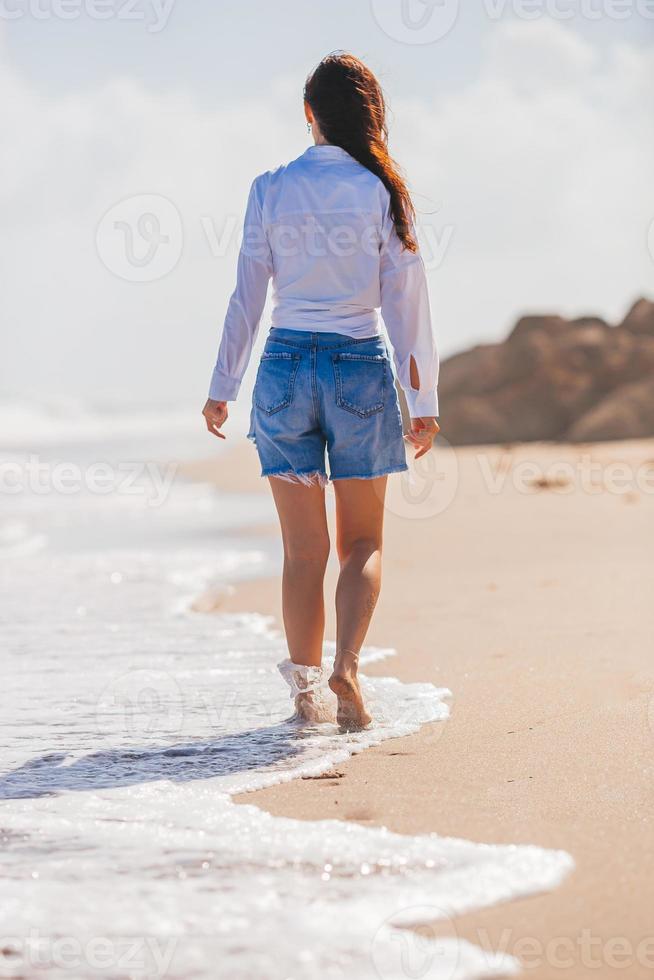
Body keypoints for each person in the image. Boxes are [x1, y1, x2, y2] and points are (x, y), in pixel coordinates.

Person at [203, 52, 440, 729]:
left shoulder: (270, 188)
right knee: (361, 545)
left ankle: (305, 695)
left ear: (309, 114)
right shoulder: (380, 190)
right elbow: (408, 304)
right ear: (368, 116)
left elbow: (246, 295)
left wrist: (223, 385)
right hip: (357, 367)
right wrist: (422, 403)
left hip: (282, 371)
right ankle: (349, 668)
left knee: (302, 551)